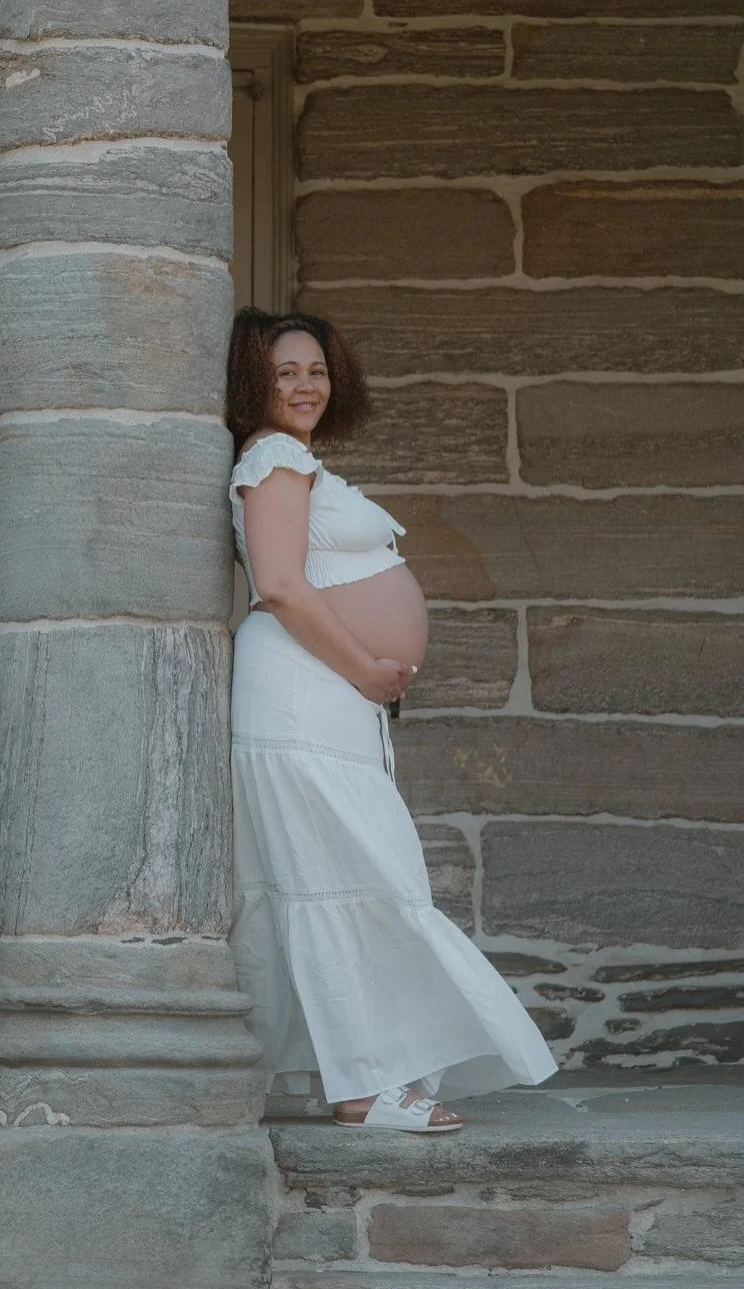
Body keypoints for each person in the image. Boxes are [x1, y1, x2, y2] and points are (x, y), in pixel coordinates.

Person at [226, 308, 555, 1133]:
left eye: (316, 370)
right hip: (303, 692)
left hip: (323, 694)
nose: (306, 385)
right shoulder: (274, 459)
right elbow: (281, 585)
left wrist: (366, 674)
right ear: (255, 383)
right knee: (349, 875)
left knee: (342, 875)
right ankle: (362, 1088)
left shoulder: (295, 461)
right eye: (286, 372)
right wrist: (366, 668)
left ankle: (345, 1074)